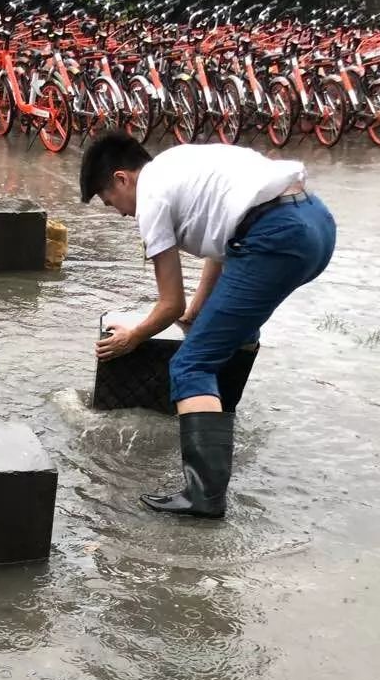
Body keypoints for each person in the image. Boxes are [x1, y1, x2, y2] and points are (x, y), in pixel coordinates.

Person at [80, 132, 337, 519]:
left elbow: (169, 305)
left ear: (122, 178)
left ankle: (205, 496)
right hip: (315, 223)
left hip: (276, 236)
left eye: (109, 200)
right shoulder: (178, 163)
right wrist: (199, 309)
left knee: (190, 364)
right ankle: (219, 419)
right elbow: (225, 240)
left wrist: (133, 337)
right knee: (234, 336)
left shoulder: (150, 198)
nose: (119, 212)